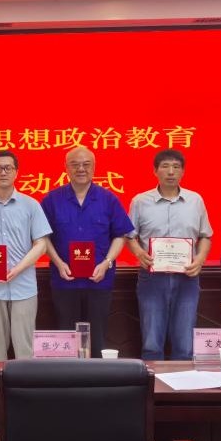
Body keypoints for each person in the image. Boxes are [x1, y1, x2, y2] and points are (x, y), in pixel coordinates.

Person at [41, 146, 134, 357]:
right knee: (66, 337)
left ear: (94, 167)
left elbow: (120, 235)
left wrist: (107, 262)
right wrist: (58, 263)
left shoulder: (108, 199)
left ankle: (96, 375)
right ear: (66, 168)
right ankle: (68, 374)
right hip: (64, 279)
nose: (81, 169)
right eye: (75, 164)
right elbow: (42, 237)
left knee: (98, 336)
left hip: (99, 279)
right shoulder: (51, 200)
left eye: (86, 164)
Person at [126, 149, 213, 360]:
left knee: (184, 343)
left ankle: (181, 381)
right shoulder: (140, 201)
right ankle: (151, 381)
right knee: (151, 341)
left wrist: (200, 259)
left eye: (176, 167)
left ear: (183, 171)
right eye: (165, 166)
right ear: (155, 171)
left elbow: (205, 236)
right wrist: (139, 253)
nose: (171, 172)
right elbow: (129, 236)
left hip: (187, 277)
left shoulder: (195, 200)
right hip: (151, 277)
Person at [0, 150, 51, 361]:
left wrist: (18, 269)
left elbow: (41, 244)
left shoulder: (31, 205)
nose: (3, 172)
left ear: (16, 172)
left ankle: (25, 383)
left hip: (23, 285)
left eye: (8, 168)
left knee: (25, 348)